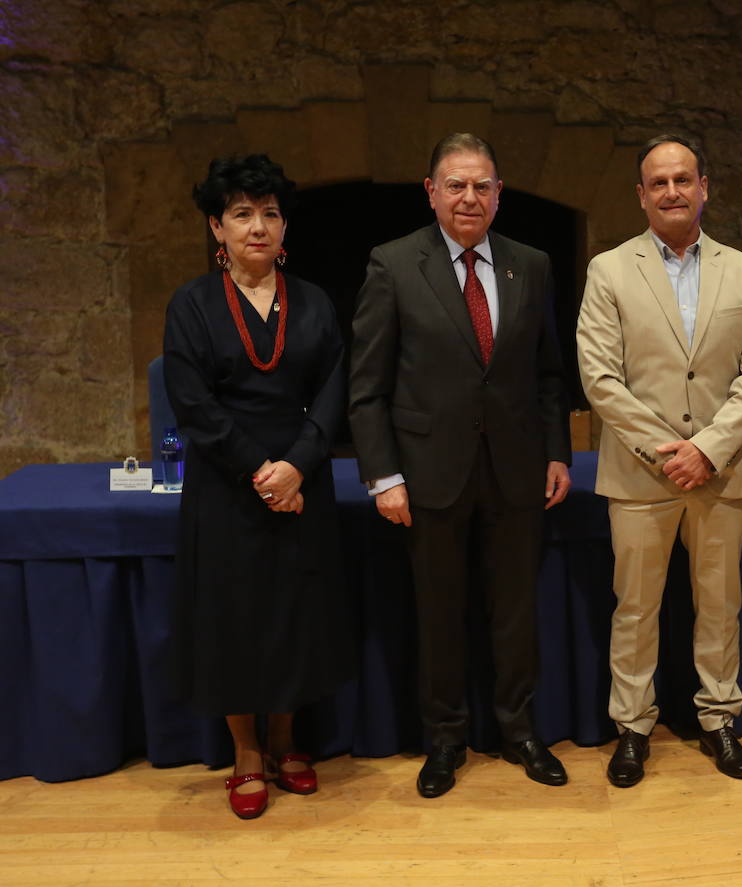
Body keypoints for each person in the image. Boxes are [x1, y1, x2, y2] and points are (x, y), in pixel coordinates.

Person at [348, 133, 572, 797]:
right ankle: (443, 740)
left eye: (482, 186)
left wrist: (557, 449)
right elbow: (366, 386)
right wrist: (383, 475)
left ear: (499, 195)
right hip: (427, 475)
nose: (469, 198)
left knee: (514, 612)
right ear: (431, 192)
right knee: (439, 614)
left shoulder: (531, 265)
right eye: (456, 185)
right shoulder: (392, 265)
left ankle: (519, 731)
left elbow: (550, 372)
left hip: (517, 470)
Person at [577, 134, 742, 786]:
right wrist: (670, 454)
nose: (672, 192)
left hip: (720, 473)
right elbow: (600, 378)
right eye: (658, 183)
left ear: (704, 187)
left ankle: (719, 720)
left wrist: (708, 450)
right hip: (641, 473)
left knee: (721, 605)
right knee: (635, 608)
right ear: (641, 194)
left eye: (683, 180)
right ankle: (632, 728)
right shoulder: (609, 270)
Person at [163, 153, 352, 819]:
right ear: (217, 227)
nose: (258, 226)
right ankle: (246, 751)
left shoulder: (316, 302)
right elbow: (192, 406)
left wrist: (297, 466)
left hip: (304, 475)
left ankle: (287, 738)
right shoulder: (190, 305)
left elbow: (335, 390)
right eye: (241, 214)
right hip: (226, 483)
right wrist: (260, 473)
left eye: (269, 213)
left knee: (296, 613)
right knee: (233, 619)